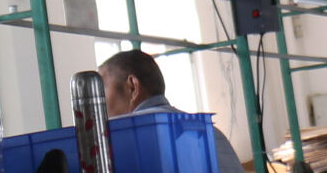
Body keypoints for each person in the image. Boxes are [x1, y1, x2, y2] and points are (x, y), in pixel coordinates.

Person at [99, 49, 245, 173]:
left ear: (132, 87)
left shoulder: (124, 141)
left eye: (100, 89)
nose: (98, 103)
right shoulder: (211, 132)